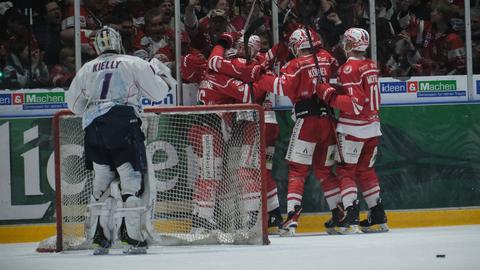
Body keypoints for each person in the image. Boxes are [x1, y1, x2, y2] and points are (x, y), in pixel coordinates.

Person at [65, 26, 170, 255]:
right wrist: (159, 72)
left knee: (101, 181)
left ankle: (99, 239)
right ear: (118, 42)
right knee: (131, 182)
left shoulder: (86, 68)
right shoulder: (132, 62)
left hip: (93, 128)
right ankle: (132, 239)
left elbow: (73, 105)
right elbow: (158, 94)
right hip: (123, 124)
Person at [255, 28, 340, 236]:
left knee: (297, 170)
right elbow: (335, 73)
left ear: (296, 46)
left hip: (307, 122)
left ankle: (292, 219)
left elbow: (280, 86)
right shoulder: (326, 57)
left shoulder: (295, 64)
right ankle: (340, 214)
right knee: (325, 171)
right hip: (328, 120)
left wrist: (258, 75)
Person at [316, 27, 388, 234]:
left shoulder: (348, 68)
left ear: (350, 44)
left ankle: (351, 215)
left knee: (346, 172)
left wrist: (329, 95)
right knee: (366, 171)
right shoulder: (371, 65)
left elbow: (355, 104)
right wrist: (336, 90)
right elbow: (361, 95)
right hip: (373, 128)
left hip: (353, 129)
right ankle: (377, 213)